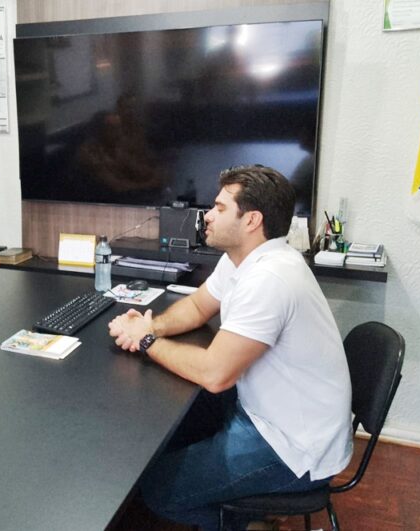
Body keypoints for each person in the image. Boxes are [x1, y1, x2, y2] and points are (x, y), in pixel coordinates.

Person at [108, 165, 352, 529]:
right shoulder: (244, 259)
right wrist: (151, 324)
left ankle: (249, 524)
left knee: (158, 489)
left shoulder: (270, 278)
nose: (207, 216)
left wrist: (145, 340)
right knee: (172, 430)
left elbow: (215, 373)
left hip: (293, 449)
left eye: (220, 208)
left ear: (251, 219)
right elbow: (196, 306)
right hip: (267, 414)